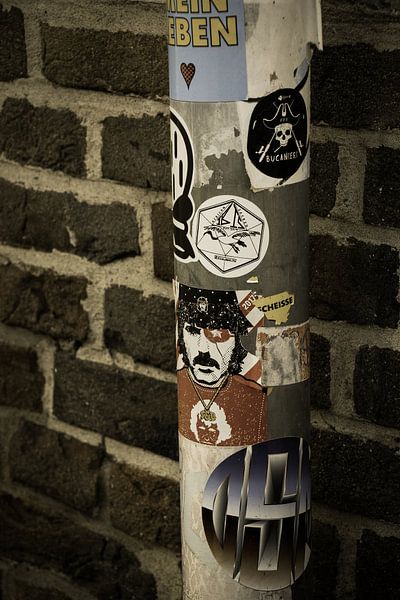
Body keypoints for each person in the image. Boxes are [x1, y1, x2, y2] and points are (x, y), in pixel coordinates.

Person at [176, 284, 268, 446]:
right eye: (192, 331)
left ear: (237, 342)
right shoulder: (182, 379)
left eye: (218, 335)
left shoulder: (254, 395)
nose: (203, 350)